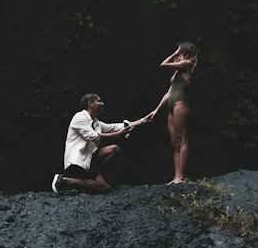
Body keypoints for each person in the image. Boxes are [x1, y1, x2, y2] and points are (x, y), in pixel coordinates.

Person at [53, 93, 151, 195]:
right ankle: (64, 180)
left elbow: (116, 127)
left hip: (90, 159)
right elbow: (93, 136)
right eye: (99, 101)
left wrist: (143, 120)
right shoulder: (79, 117)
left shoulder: (96, 123)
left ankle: (83, 181)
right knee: (104, 187)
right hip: (78, 161)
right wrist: (117, 135)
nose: (102, 103)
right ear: (90, 103)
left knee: (114, 149)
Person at [147, 41, 198, 185]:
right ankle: (176, 177)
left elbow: (163, 64)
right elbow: (169, 93)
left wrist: (175, 53)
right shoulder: (178, 72)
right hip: (171, 104)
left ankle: (181, 177)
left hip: (180, 104)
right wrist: (156, 110)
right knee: (175, 142)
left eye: (179, 51)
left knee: (183, 140)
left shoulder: (189, 64)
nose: (177, 54)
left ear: (185, 52)